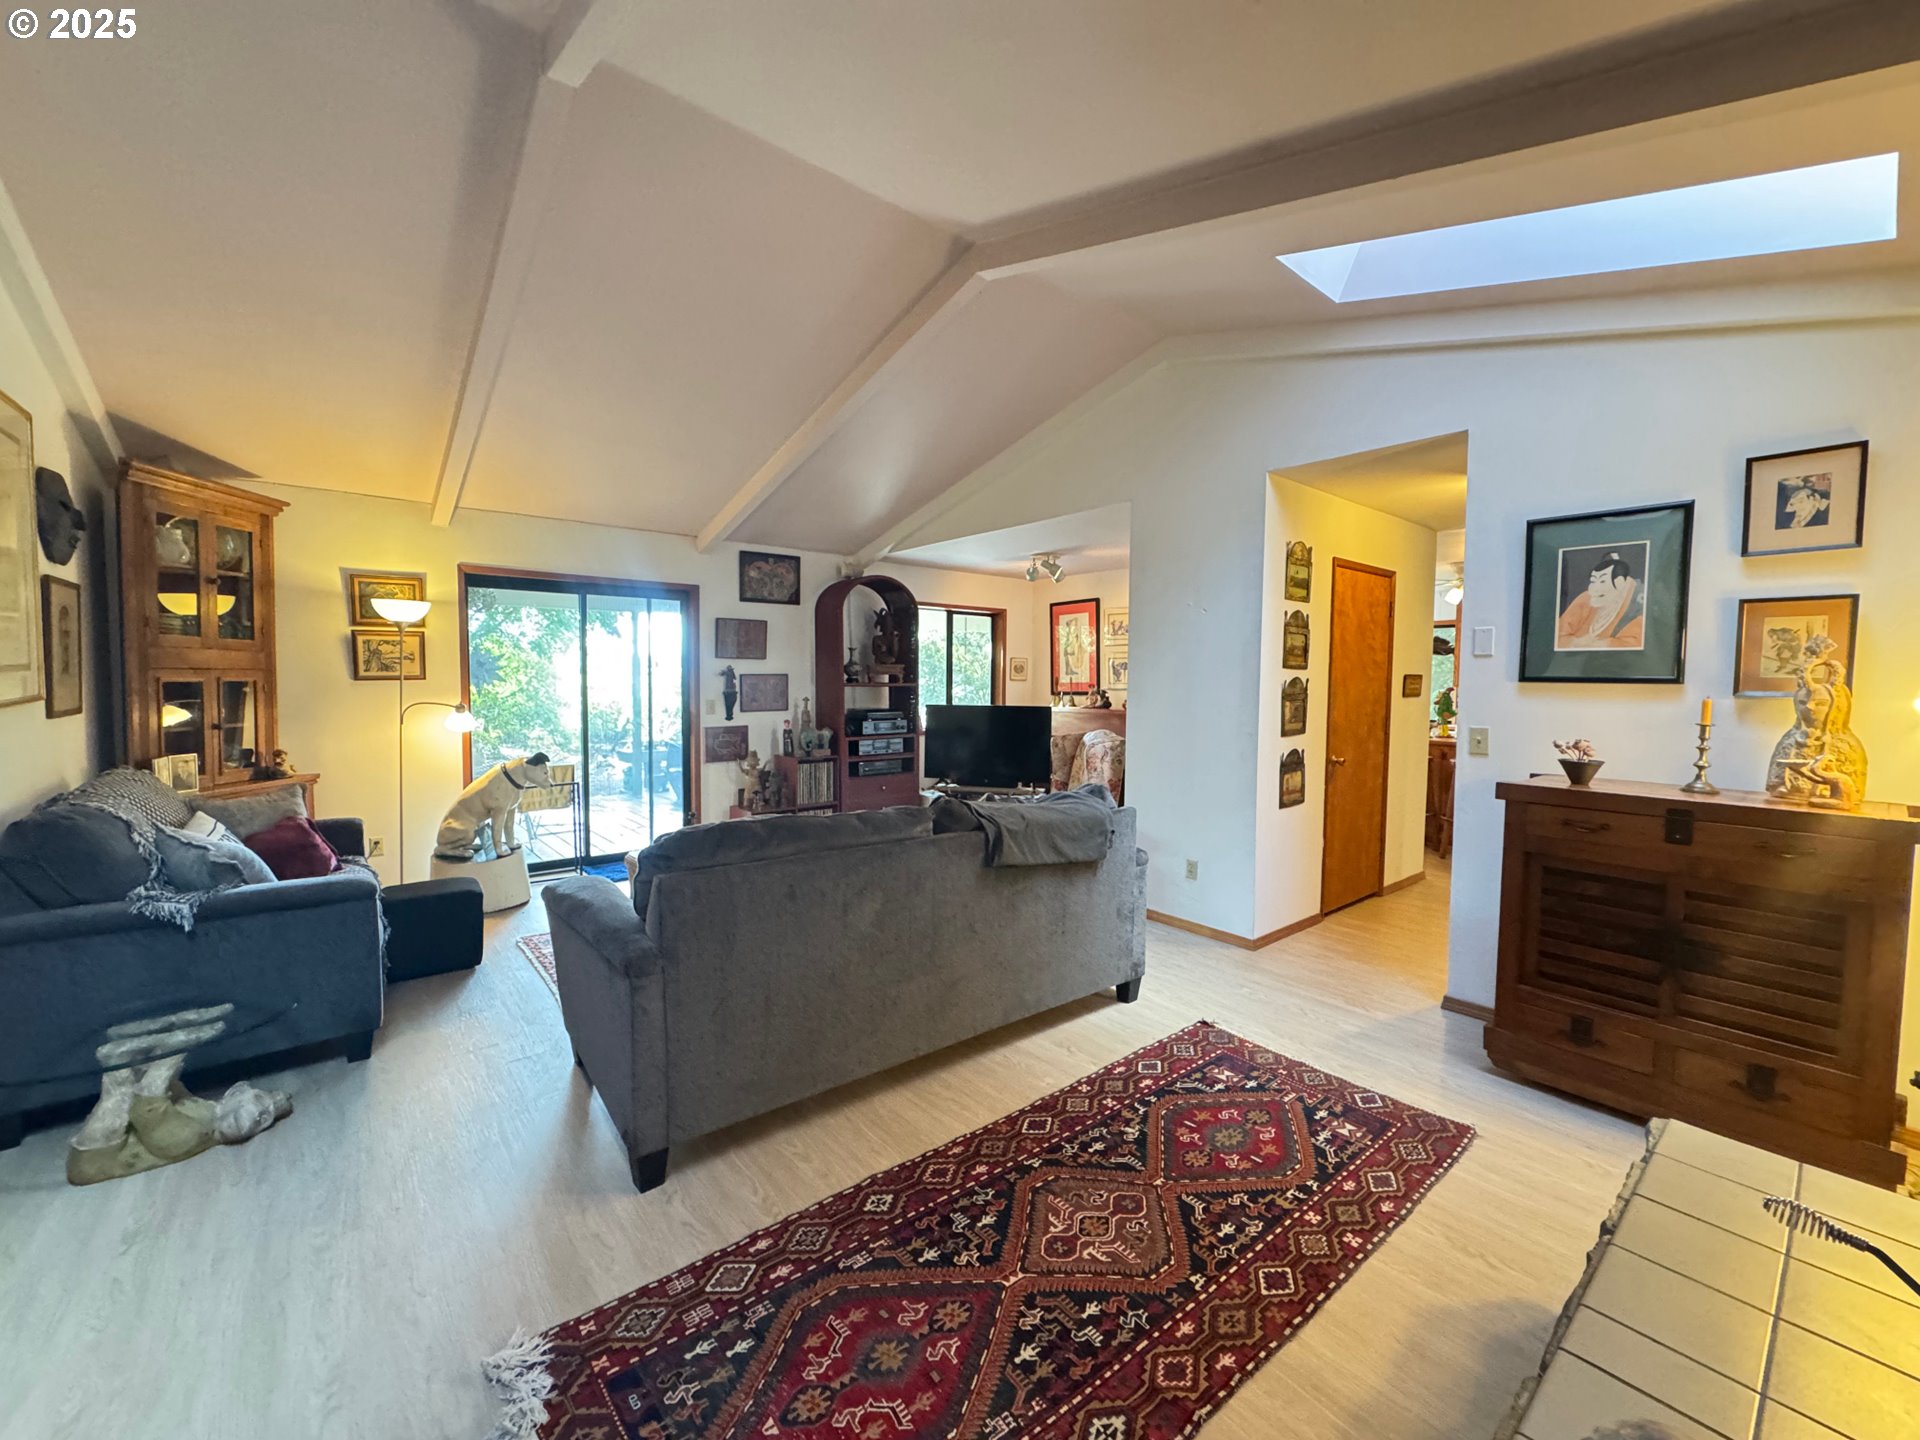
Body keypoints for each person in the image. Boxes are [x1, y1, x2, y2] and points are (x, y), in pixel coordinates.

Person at [1555, 551, 1645, 649]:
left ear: (1619, 582)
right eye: (1593, 581)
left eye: (1602, 581)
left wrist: (1602, 644)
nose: (1593, 588)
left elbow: (1635, 646)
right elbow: (1557, 635)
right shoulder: (1587, 598)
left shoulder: (1636, 607)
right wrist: (1575, 642)